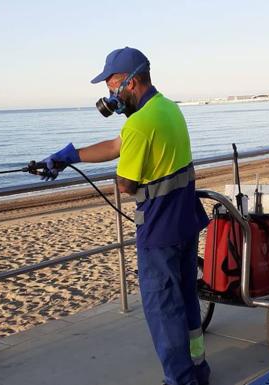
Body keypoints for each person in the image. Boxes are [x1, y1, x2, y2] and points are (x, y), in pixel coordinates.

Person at [41, 47, 211, 385]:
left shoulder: (139, 124)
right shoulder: (167, 109)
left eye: (110, 86)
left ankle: (180, 380)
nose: (109, 96)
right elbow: (118, 145)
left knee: (164, 310)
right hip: (184, 221)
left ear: (130, 83)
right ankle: (198, 371)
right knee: (187, 302)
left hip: (159, 231)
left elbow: (126, 185)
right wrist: (71, 155)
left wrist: (119, 173)